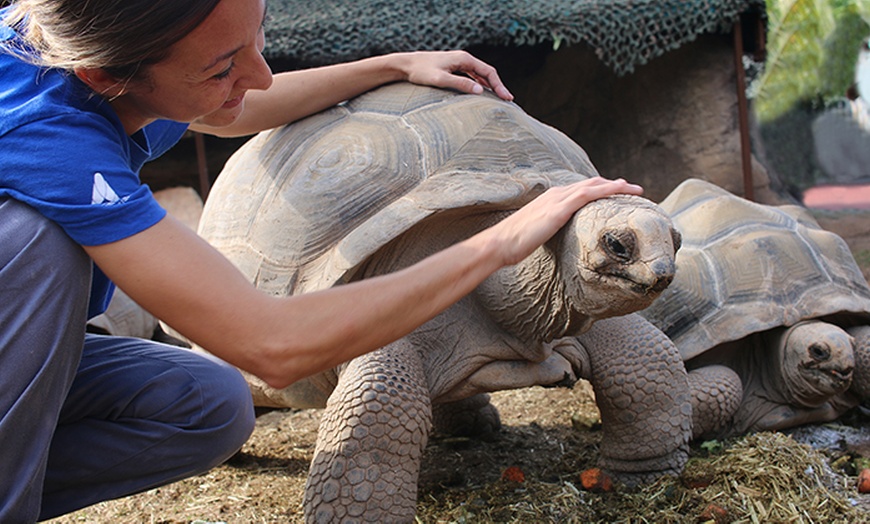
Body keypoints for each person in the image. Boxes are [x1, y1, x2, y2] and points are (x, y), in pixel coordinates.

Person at [0, 0, 643, 521]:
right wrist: (500, 242)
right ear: (106, 77)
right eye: (223, 66)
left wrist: (391, 65)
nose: (258, 73)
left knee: (213, 406)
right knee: (39, 245)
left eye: (259, 35)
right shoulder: (44, 132)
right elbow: (273, 345)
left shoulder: (89, 51)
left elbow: (239, 107)